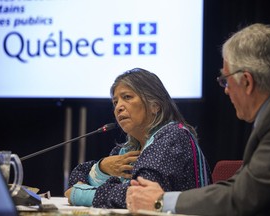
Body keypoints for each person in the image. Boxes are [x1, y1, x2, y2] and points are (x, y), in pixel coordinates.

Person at [126, 23, 270, 216]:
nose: (226, 90)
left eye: (226, 80)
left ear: (247, 82)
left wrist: (161, 201)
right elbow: (239, 185)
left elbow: (245, 197)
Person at [64, 68, 212, 208]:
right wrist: (102, 168)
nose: (118, 107)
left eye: (127, 97)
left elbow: (138, 196)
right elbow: (76, 177)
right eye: (115, 102)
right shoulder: (129, 149)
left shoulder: (173, 136)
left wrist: (79, 195)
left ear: (155, 106)